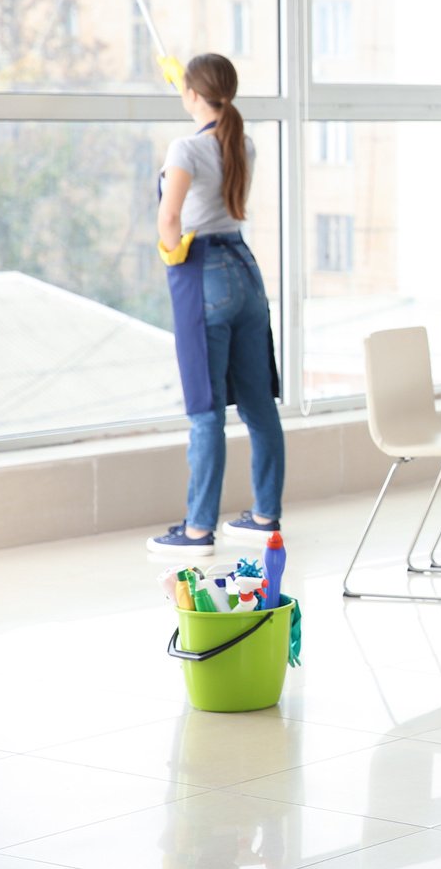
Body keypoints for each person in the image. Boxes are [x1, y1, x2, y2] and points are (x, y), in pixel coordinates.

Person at [147, 54, 285, 556]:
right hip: (246, 275)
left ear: (191, 94)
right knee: (257, 406)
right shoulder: (240, 141)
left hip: (204, 271)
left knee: (206, 411)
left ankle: (199, 530)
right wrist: (186, 86)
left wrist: (170, 253)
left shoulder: (186, 147)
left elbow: (170, 218)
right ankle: (265, 517)